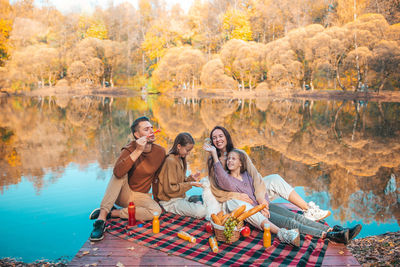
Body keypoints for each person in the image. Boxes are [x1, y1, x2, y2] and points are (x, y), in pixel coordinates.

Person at [204, 145, 362, 246]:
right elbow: (219, 171)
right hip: (254, 214)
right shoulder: (228, 180)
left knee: (297, 217)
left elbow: (260, 190)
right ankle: (330, 236)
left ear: (241, 163)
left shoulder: (247, 176)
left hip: (263, 207)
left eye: (234, 158)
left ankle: (336, 230)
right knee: (289, 222)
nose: (230, 161)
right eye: (228, 159)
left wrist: (265, 204)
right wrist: (213, 153)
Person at [207, 126, 330, 221]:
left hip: (252, 193)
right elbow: (215, 188)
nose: (218, 139)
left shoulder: (239, 154)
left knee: (274, 179)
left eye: (220, 136)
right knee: (238, 204)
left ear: (226, 137)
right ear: (212, 141)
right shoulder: (213, 162)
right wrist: (234, 196)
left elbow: (256, 177)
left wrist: (261, 199)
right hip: (238, 201)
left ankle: (308, 210)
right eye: (214, 137)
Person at [89, 116, 166, 241]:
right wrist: (138, 150)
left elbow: (157, 177)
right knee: (120, 172)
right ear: (137, 134)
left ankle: (113, 213)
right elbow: (118, 173)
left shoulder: (160, 152)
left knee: (156, 211)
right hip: (123, 194)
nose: (152, 131)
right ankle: (101, 219)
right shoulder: (129, 149)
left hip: (141, 196)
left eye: (151, 128)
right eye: (146, 129)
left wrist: (157, 198)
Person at [156, 132, 207, 218]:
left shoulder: (179, 159)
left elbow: (180, 181)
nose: (188, 153)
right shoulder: (170, 161)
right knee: (201, 211)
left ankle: (192, 203)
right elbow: (170, 189)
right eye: (187, 150)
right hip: (170, 202)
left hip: (180, 197)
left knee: (206, 200)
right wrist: (190, 184)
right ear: (179, 146)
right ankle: (193, 204)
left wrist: (191, 179)